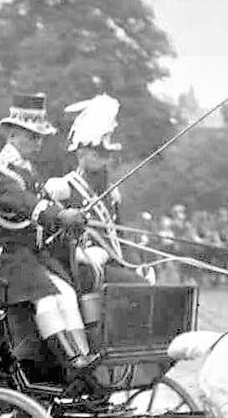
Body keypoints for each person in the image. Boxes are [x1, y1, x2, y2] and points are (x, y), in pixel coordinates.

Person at [0, 92, 97, 386]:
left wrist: (70, 218)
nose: (38, 142)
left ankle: (82, 358)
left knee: (67, 293)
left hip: (26, 256)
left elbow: (43, 205)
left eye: (40, 137)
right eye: (33, 137)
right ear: (13, 134)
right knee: (46, 299)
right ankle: (69, 359)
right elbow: (27, 205)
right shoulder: (1, 175)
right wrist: (60, 216)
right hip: (1, 257)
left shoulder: (27, 171)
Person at [44, 93, 151, 289]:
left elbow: (120, 238)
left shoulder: (112, 194)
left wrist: (134, 263)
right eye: (97, 154)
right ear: (80, 153)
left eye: (106, 155)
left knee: (145, 284)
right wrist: (82, 254)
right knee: (138, 287)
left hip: (109, 266)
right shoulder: (62, 188)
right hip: (78, 268)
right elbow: (48, 238)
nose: (103, 160)